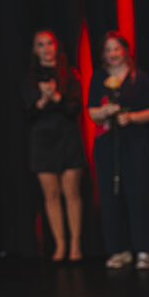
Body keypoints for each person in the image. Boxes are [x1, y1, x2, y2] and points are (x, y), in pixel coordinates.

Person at [88, 31, 149, 269]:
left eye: (116, 48)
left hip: (135, 143)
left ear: (125, 51)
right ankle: (119, 250)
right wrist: (105, 112)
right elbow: (92, 112)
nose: (113, 53)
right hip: (107, 145)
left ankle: (144, 250)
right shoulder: (99, 78)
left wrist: (132, 117)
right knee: (111, 197)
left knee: (139, 195)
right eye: (108, 49)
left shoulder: (139, 77)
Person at [23, 30, 86, 262]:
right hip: (42, 140)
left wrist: (57, 97)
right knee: (51, 194)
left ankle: (75, 244)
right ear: (34, 49)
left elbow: (75, 108)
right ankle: (60, 244)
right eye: (40, 44)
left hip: (67, 138)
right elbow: (27, 112)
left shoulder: (69, 73)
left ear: (56, 46)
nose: (46, 48)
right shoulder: (30, 77)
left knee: (72, 192)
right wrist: (43, 100)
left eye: (49, 43)